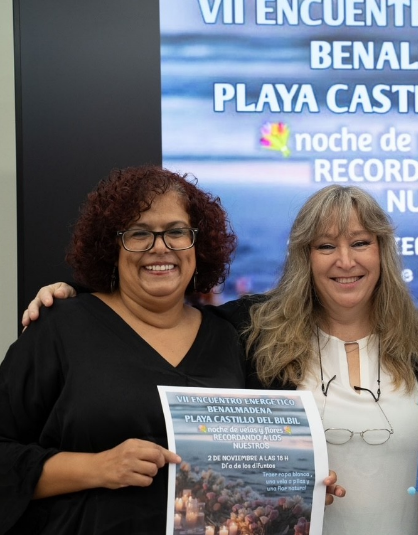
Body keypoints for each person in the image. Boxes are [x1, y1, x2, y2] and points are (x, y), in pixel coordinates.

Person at [22, 185, 418, 535]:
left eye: (361, 243)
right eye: (326, 245)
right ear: (304, 257)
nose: (345, 260)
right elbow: (161, 311)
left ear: (383, 251)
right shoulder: (255, 329)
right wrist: (79, 293)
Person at [0, 166, 246, 533]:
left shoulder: (231, 339)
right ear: (111, 247)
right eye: (139, 233)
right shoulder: (61, 327)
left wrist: (299, 483)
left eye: (177, 232)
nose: (160, 247)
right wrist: (98, 468)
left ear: (199, 244)